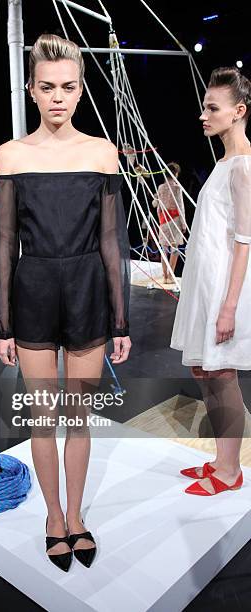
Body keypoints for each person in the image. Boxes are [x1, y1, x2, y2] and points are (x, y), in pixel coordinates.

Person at [0, 34, 131, 571]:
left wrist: (120, 320)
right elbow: (4, 245)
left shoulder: (101, 152)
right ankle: (53, 517)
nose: (57, 97)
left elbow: (112, 242)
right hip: (32, 293)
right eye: (47, 87)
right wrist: (1, 325)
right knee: (42, 419)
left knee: (80, 418)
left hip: (88, 293)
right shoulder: (12, 155)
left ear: (79, 90)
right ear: (31, 88)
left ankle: (77, 516)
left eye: (68, 87)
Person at [171, 67, 251, 496]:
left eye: (212, 108)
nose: (203, 115)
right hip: (205, 284)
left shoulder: (242, 166)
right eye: (204, 106)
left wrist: (228, 306)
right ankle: (221, 460)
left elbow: (245, 242)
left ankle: (230, 471)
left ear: (238, 112)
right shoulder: (224, 162)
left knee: (223, 378)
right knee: (207, 372)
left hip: (223, 288)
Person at [152, 162, 186, 283]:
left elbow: (159, 206)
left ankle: (165, 276)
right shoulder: (177, 187)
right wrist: (183, 224)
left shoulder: (161, 187)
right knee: (174, 248)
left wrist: (160, 218)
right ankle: (170, 276)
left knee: (164, 248)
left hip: (164, 219)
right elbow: (180, 206)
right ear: (176, 174)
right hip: (175, 219)